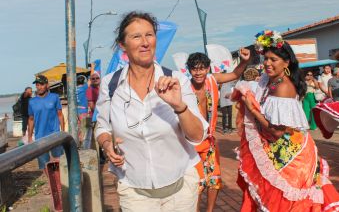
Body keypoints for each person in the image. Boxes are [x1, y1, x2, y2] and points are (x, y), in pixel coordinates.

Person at [95, 11, 209, 212]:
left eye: (149, 35)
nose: (145, 42)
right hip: (134, 192)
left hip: (180, 190)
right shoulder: (110, 85)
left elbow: (197, 135)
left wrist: (178, 106)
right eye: (136, 36)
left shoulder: (176, 80)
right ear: (123, 45)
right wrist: (107, 145)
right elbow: (102, 127)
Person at [232, 30, 339, 212]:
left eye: (273, 59)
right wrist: (245, 62)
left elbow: (277, 131)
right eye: (266, 58)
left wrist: (252, 109)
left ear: (286, 63)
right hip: (278, 147)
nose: (267, 63)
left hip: (290, 153)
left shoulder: (284, 87)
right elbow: (248, 85)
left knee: (286, 201)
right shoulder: (269, 80)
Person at [186, 49, 251, 212]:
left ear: (208, 68)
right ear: (189, 70)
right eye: (194, 69)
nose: (198, 72)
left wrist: (244, 61)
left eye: (202, 68)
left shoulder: (213, 80)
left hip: (208, 140)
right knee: (197, 183)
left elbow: (235, 74)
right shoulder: (184, 86)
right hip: (190, 144)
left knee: (214, 179)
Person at [28, 75, 65, 181]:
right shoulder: (32, 102)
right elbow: (31, 120)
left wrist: (62, 131)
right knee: (44, 163)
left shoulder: (54, 97)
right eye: (37, 85)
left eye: (41, 84)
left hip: (55, 134)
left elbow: (60, 115)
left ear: (47, 85)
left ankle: (60, 182)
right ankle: (52, 183)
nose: (39, 87)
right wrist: (30, 137)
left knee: (58, 160)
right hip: (40, 136)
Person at [76, 75, 88, 142]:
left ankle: (77, 141)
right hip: (83, 110)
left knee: (78, 127)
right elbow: (90, 81)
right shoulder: (84, 87)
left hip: (76, 110)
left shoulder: (74, 89)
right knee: (83, 127)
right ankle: (82, 143)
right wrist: (92, 67)